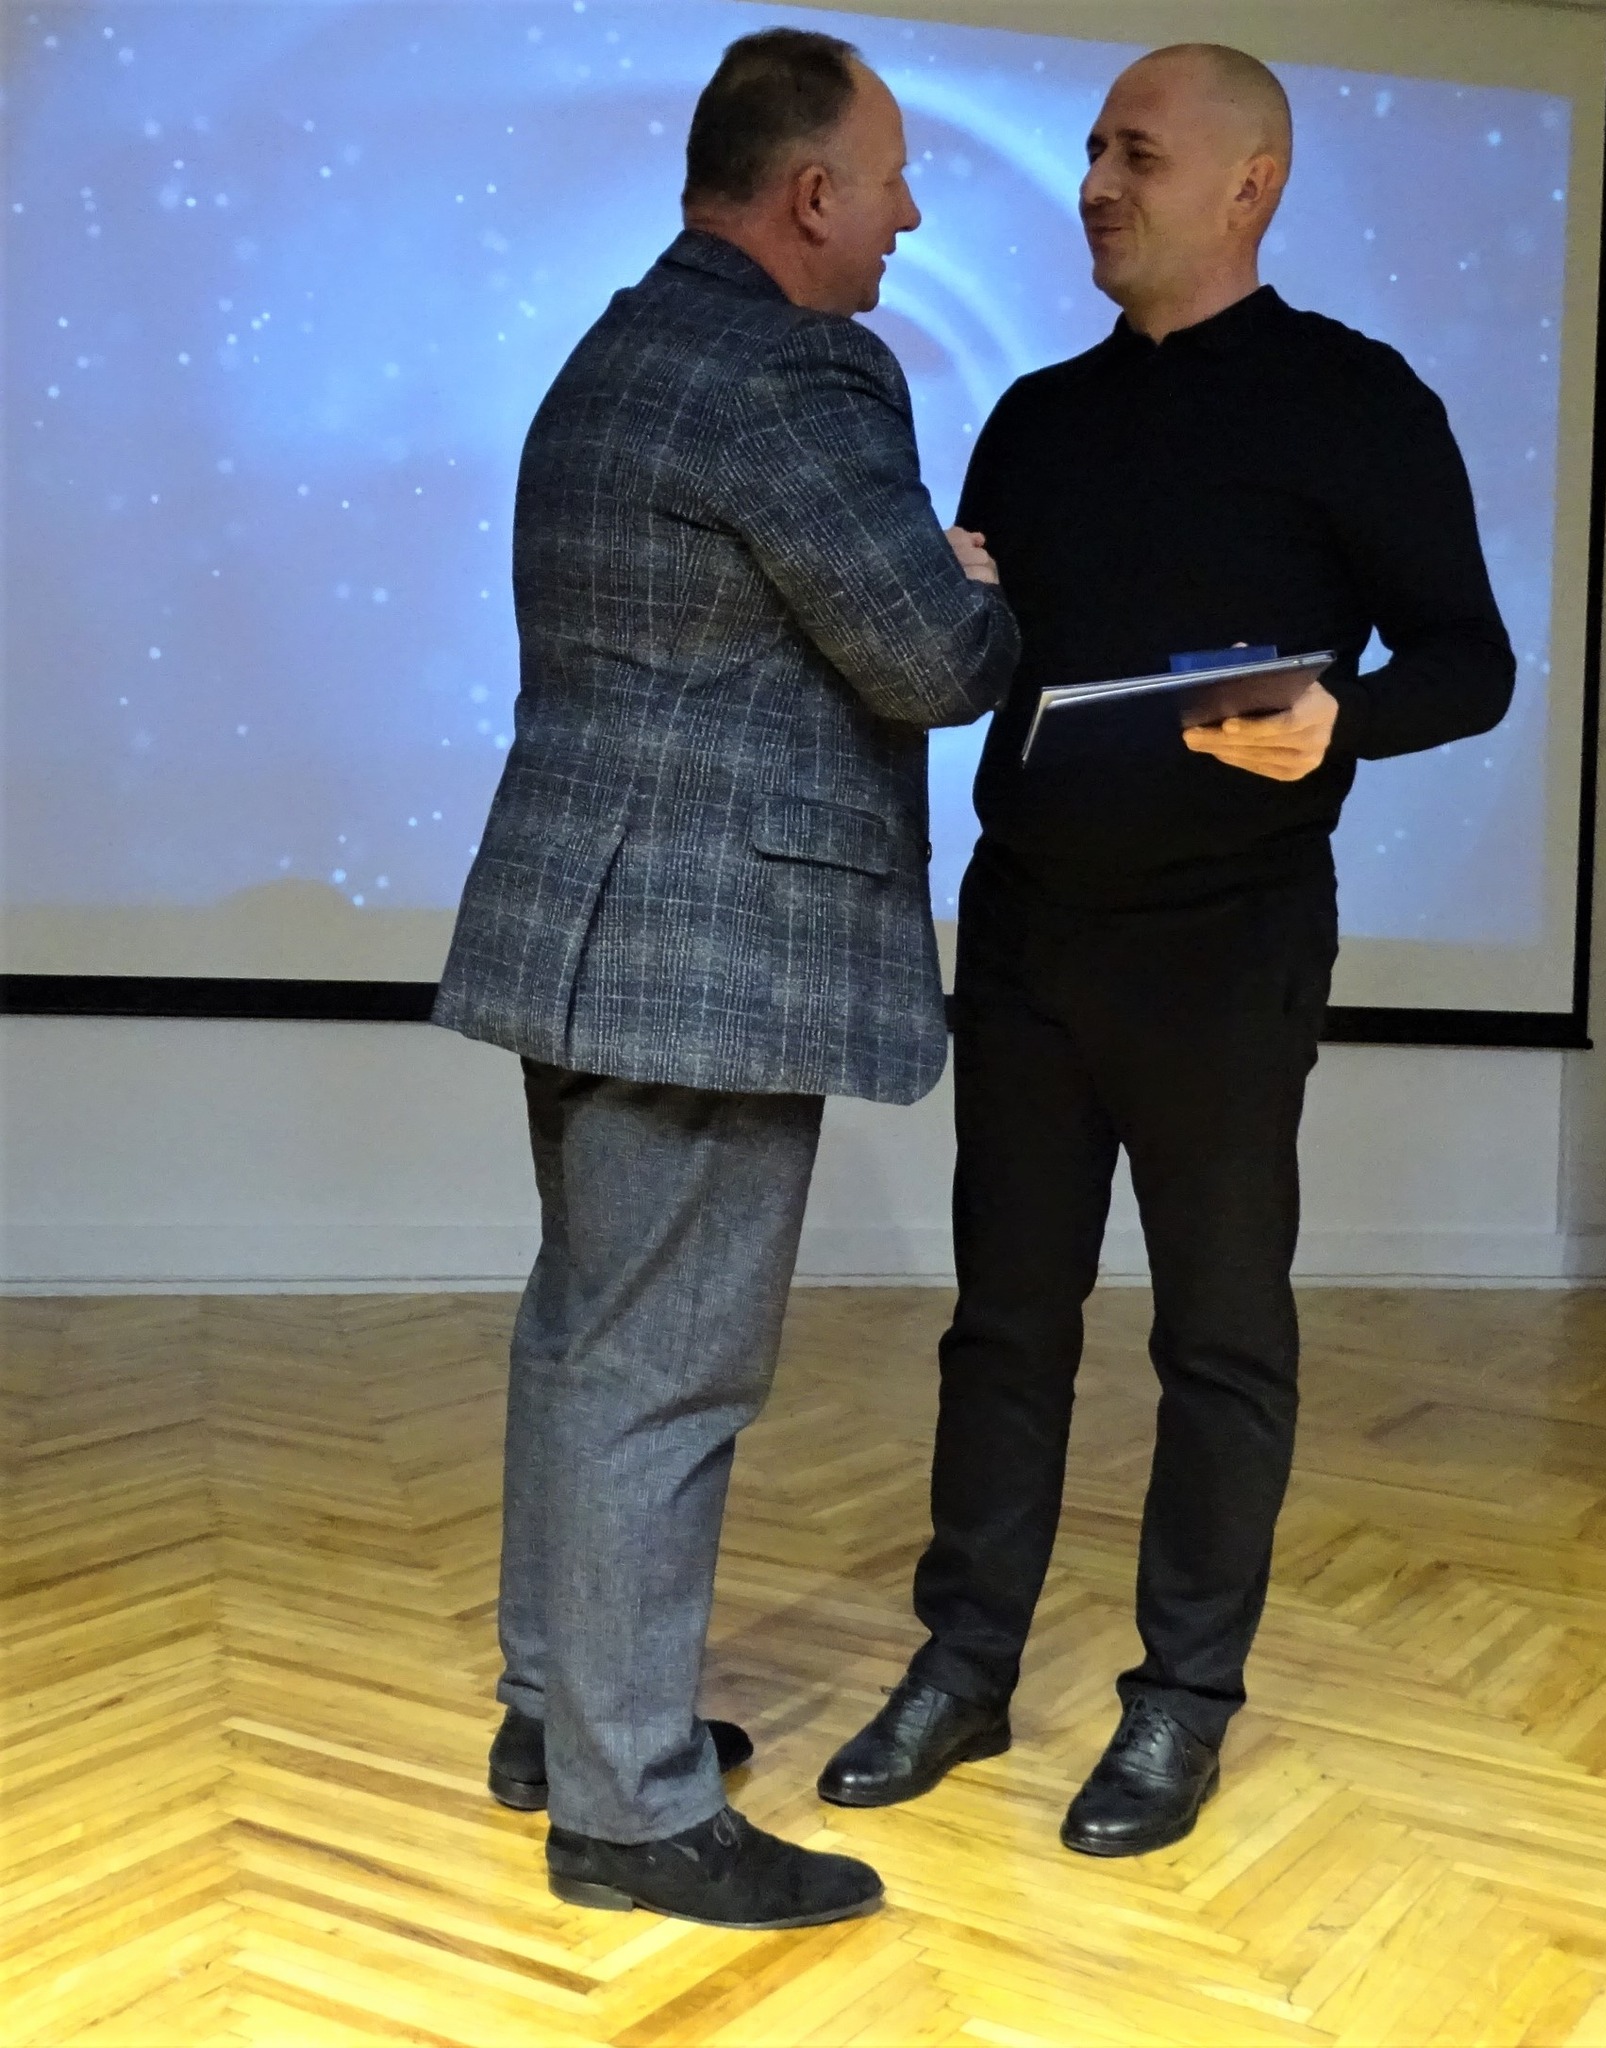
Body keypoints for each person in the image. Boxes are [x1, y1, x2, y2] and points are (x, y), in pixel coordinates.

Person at [818, 42, 1514, 1857]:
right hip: (1033, 930)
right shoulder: (1037, 417)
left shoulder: (1357, 401)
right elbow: (980, 668)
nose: (1095, 184)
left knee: (1217, 1335)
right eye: (1091, 151)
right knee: (1005, 1326)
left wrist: (1345, 721)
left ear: (1249, 185)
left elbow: (1473, 660)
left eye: (1136, 153)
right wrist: (950, 604)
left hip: (1229, 942)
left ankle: (1183, 1700)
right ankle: (965, 1666)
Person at [434, 28, 1017, 1929]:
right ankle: (630, 1808)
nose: (910, 215)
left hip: (583, 924)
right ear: (813, 191)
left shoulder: (623, 344)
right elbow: (927, 659)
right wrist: (972, 583)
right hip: (705, 952)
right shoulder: (797, 369)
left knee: (589, 1338)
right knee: (665, 1374)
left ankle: (563, 1719)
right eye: (893, 178)